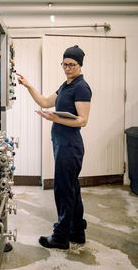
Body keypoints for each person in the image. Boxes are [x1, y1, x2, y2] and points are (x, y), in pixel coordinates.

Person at [17, 45, 92, 250]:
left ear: (80, 65)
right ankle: (77, 232)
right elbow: (44, 101)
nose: (67, 68)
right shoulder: (66, 86)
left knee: (63, 190)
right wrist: (28, 85)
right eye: (65, 64)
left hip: (70, 146)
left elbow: (82, 121)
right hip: (62, 144)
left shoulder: (81, 87)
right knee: (71, 189)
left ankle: (60, 237)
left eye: (72, 65)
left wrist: (56, 118)